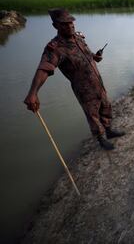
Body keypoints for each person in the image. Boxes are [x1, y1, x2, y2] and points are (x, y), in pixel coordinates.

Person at [24, 8, 125, 151]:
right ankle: (101, 139)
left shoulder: (78, 37)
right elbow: (44, 69)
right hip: (84, 89)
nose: (70, 26)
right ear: (55, 26)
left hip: (97, 82)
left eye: (71, 23)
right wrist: (33, 93)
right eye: (64, 24)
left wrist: (96, 57)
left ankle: (109, 131)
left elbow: (87, 54)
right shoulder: (55, 48)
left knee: (105, 105)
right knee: (92, 114)